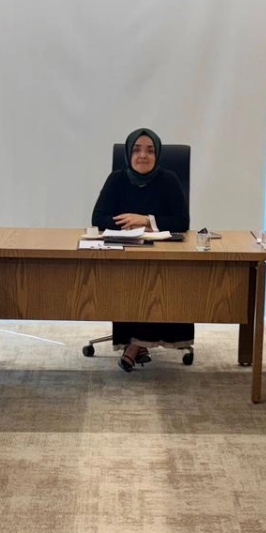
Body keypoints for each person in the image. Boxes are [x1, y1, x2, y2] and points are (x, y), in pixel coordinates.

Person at [90, 128, 191, 372]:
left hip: (164, 255)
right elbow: (98, 218)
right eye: (136, 150)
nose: (143, 155)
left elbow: (182, 222)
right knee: (131, 282)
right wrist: (130, 223)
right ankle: (138, 344)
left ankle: (135, 345)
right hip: (125, 252)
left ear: (158, 155)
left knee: (155, 283)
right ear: (128, 154)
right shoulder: (117, 179)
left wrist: (147, 220)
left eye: (150, 150)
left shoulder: (169, 180)